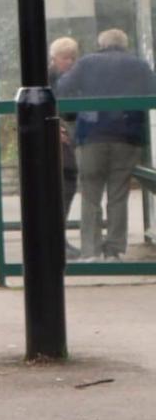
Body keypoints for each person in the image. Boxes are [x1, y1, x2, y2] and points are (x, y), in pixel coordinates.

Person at [55, 28, 156, 260]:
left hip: (91, 137)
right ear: (124, 44)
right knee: (118, 195)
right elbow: (152, 91)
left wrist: (75, 110)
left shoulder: (87, 63)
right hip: (127, 138)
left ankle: (90, 252)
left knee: (90, 194)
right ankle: (114, 251)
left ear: (101, 44)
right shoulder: (138, 65)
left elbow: (63, 89)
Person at [50, 37, 81, 257]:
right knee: (64, 185)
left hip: (69, 136)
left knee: (68, 185)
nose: (69, 62)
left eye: (72, 58)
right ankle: (55, 240)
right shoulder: (47, 78)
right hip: (55, 141)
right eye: (65, 58)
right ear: (54, 58)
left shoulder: (70, 77)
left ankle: (58, 238)